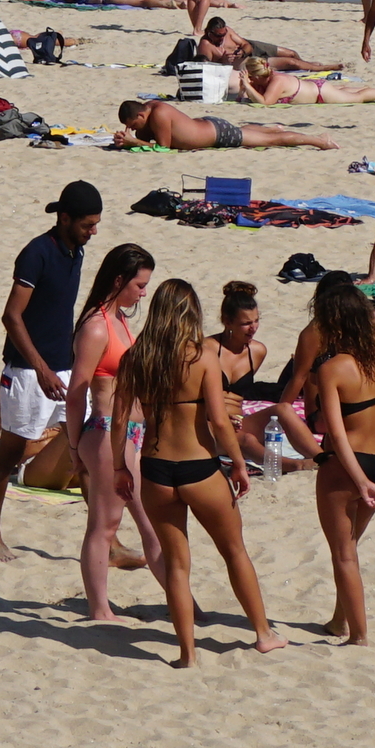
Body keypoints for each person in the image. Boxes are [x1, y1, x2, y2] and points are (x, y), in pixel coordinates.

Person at [111, 275, 279, 664]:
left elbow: (120, 420)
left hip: (154, 469)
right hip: (198, 467)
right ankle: (263, 634)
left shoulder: (136, 358)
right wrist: (238, 464)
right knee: (234, 550)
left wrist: (121, 467)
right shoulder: (201, 357)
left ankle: (187, 654)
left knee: (176, 564)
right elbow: (219, 423)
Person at [0, 181, 99, 565]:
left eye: (96, 225)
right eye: (86, 225)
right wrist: (43, 370)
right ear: (64, 218)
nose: (92, 232)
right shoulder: (36, 254)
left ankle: (103, 540)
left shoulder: (76, 250)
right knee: (10, 454)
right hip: (28, 372)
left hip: (65, 366)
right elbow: (11, 317)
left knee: (90, 449)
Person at [300, 275, 375, 644]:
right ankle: (340, 621)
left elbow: (336, 435)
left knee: (343, 555)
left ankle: (359, 635)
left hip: (347, 468)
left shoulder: (332, 368)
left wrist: (358, 482)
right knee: (351, 547)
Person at [68, 240, 157, 621]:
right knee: (105, 525)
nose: (143, 291)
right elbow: (77, 391)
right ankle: (99, 608)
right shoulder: (96, 326)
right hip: (105, 432)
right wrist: (74, 447)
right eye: (139, 285)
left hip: (127, 433)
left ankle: (186, 604)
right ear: (119, 280)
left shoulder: (118, 318)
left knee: (148, 523)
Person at [112, 97, 331, 153]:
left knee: (270, 141)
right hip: (209, 126)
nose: (132, 129)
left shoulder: (158, 114)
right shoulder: (149, 110)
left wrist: (132, 142)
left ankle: (318, 141)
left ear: (141, 113)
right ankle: (274, 126)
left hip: (218, 134)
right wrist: (129, 140)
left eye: (133, 124)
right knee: (245, 132)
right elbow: (147, 139)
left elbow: (164, 148)